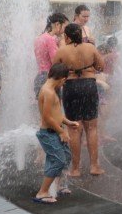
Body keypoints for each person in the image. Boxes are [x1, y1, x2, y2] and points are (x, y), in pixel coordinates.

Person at [53, 23, 105, 177]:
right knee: (92, 127)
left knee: (74, 128)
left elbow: (54, 70)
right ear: (81, 35)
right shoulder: (90, 48)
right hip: (89, 86)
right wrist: (89, 68)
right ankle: (94, 166)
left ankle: (75, 169)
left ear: (66, 36)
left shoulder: (62, 50)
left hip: (71, 87)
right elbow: (101, 66)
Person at [35, 64, 77, 204]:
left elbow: (56, 114)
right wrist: (61, 131)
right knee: (58, 160)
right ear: (62, 79)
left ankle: (58, 186)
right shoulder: (48, 92)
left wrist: (68, 122)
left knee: (65, 156)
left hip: (55, 131)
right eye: (65, 81)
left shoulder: (52, 90)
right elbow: (46, 117)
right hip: (49, 133)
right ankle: (42, 192)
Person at [34, 13, 68, 97]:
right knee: (53, 108)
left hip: (40, 77)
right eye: (65, 27)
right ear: (57, 24)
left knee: (43, 108)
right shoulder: (50, 39)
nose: (65, 31)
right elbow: (55, 62)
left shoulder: (40, 37)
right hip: (49, 78)